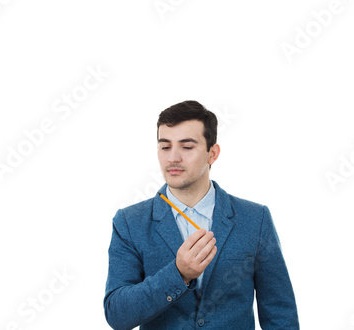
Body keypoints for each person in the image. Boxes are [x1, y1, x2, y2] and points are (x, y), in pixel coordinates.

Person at [103, 100, 299, 329]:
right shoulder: (129, 222)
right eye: (165, 146)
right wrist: (178, 274)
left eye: (187, 147)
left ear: (212, 154)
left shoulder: (256, 219)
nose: (172, 158)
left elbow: (279, 313)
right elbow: (117, 314)